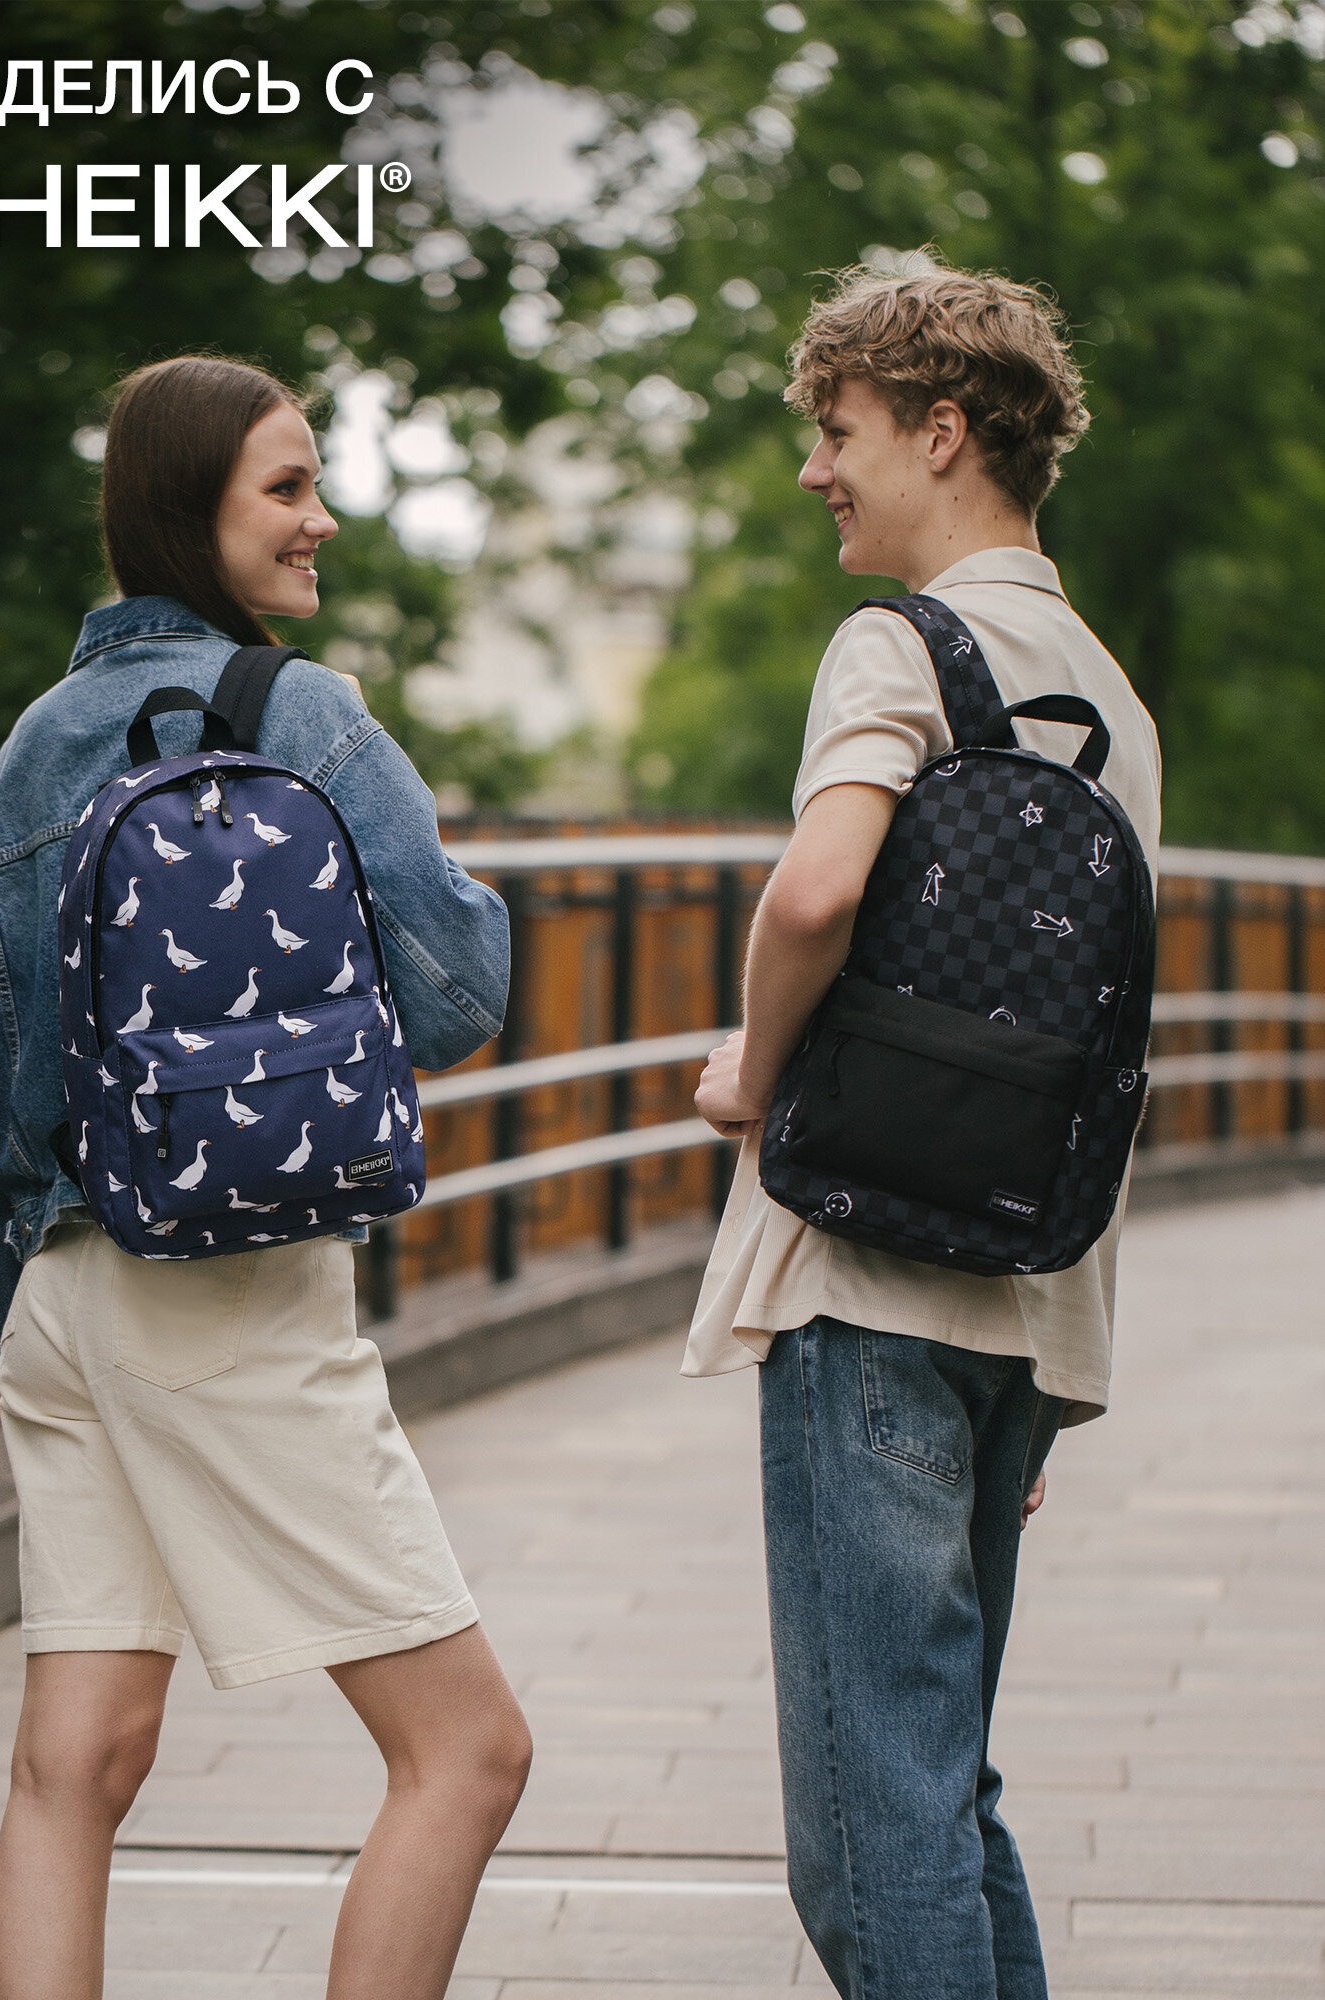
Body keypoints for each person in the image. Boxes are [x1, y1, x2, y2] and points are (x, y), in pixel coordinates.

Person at [0, 355, 532, 2000]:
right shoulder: (299, 714)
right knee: (470, 1754)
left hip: (58, 1298)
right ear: (190, 507)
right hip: (223, 1296)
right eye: (285, 487)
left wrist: (26, 1315)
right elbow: (459, 997)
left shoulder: (30, 750)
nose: (321, 519)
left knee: (79, 1763)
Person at [688, 259, 1161, 1999]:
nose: (818, 465)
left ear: (940, 431)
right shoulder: (1101, 681)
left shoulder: (901, 642)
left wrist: (749, 1066)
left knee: (870, 1833)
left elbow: (818, 892)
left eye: (841, 427)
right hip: (1028, 1294)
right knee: (940, 1788)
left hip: (869, 1282)